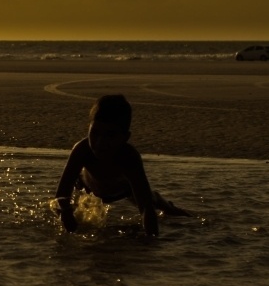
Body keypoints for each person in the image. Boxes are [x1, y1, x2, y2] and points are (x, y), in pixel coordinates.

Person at [54, 94, 187, 237]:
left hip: (124, 190)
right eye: (95, 133)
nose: (100, 142)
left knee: (155, 204)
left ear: (125, 138)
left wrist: (151, 242)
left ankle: (179, 211)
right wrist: (66, 215)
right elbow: (60, 196)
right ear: (88, 128)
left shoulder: (129, 157)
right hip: (87, 187)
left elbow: (146, 209)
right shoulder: (81, 150)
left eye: (109, 135)